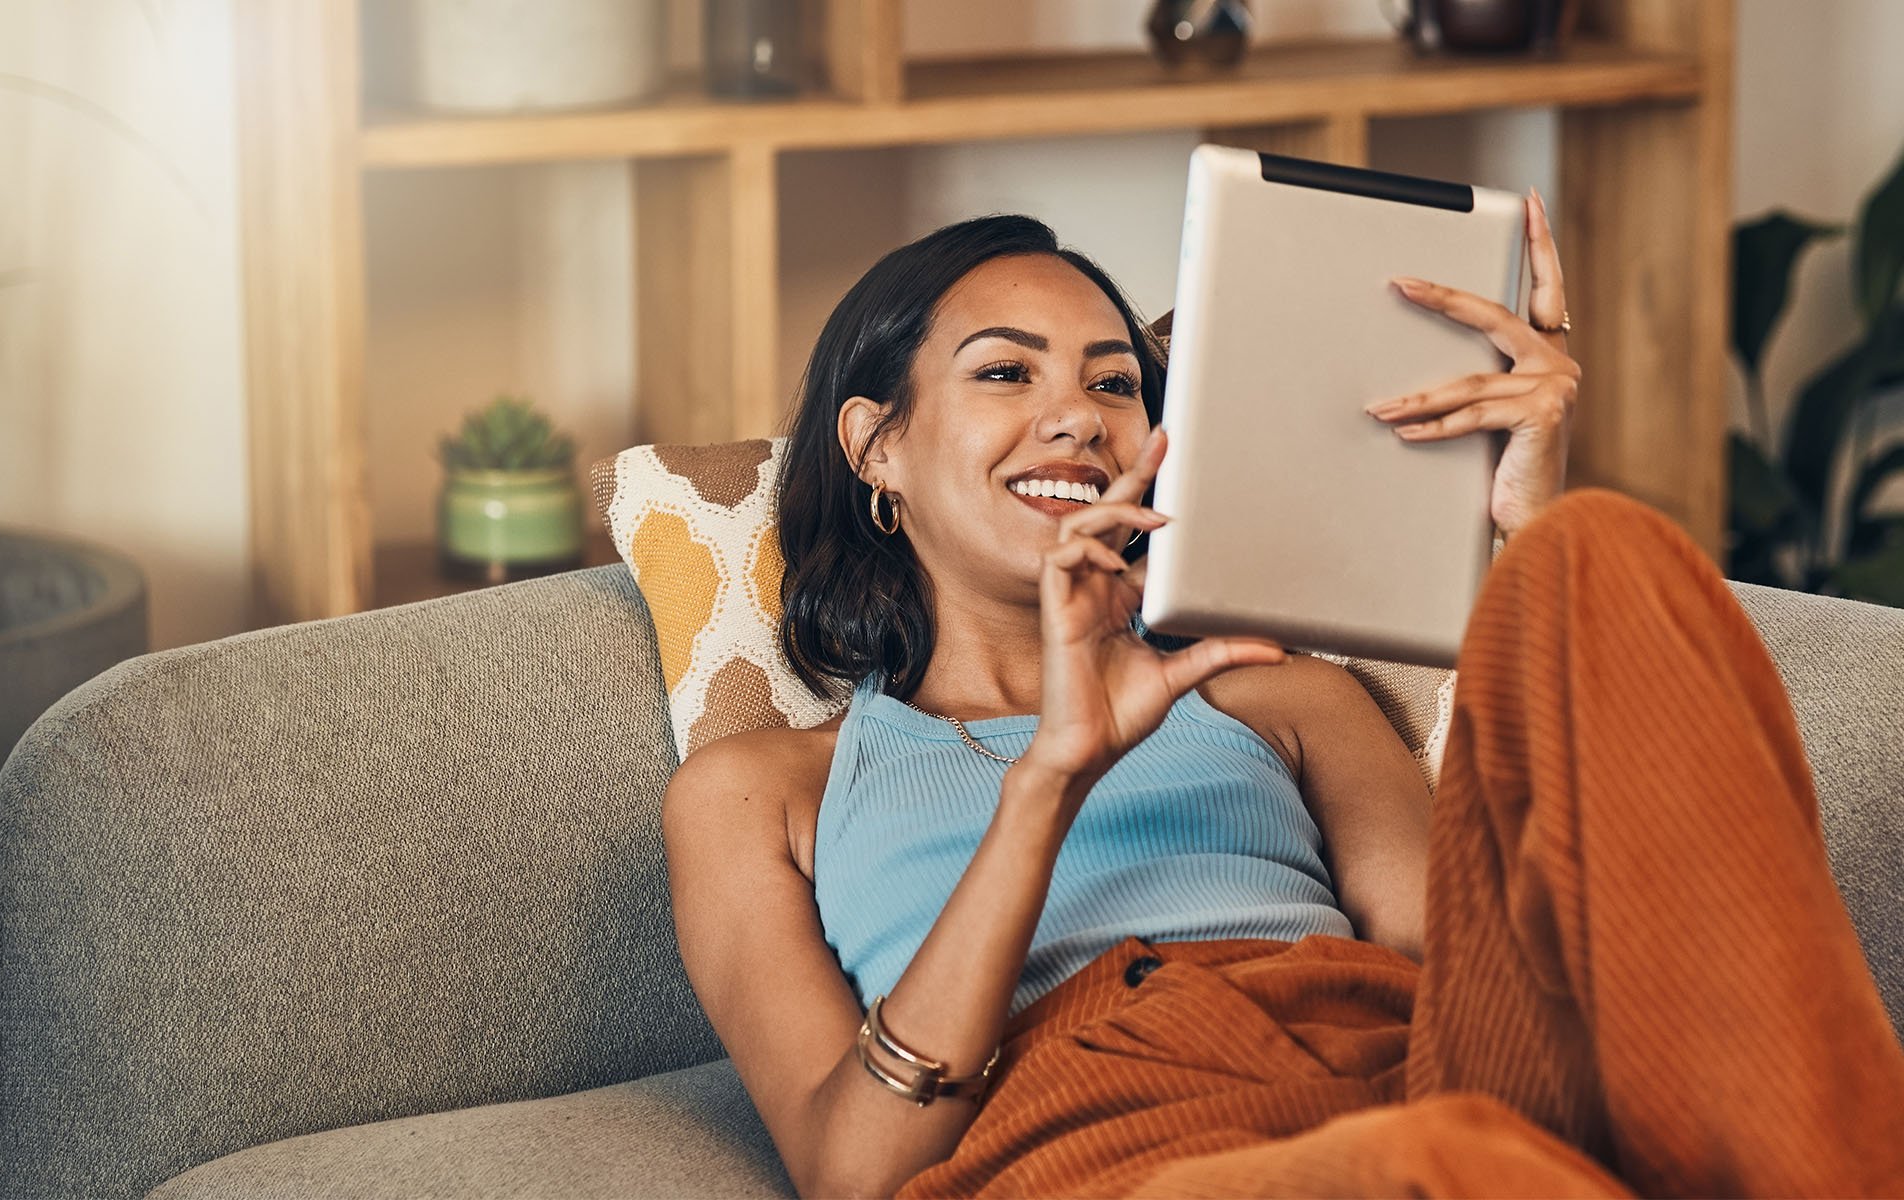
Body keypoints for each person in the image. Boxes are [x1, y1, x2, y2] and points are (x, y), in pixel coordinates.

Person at [661, 208, 1904, 1198]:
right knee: (1448, 1170)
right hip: (1105, 1137)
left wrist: (1521, 539)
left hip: (1394, 1058)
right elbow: (854, 1170)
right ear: (874, 445)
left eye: (1112, 384)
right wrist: (1052, 775)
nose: (1075, 421)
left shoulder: (1277, 692)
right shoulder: (764, 792)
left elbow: (1478, 967)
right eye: (1004, 372)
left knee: (1604, 552)